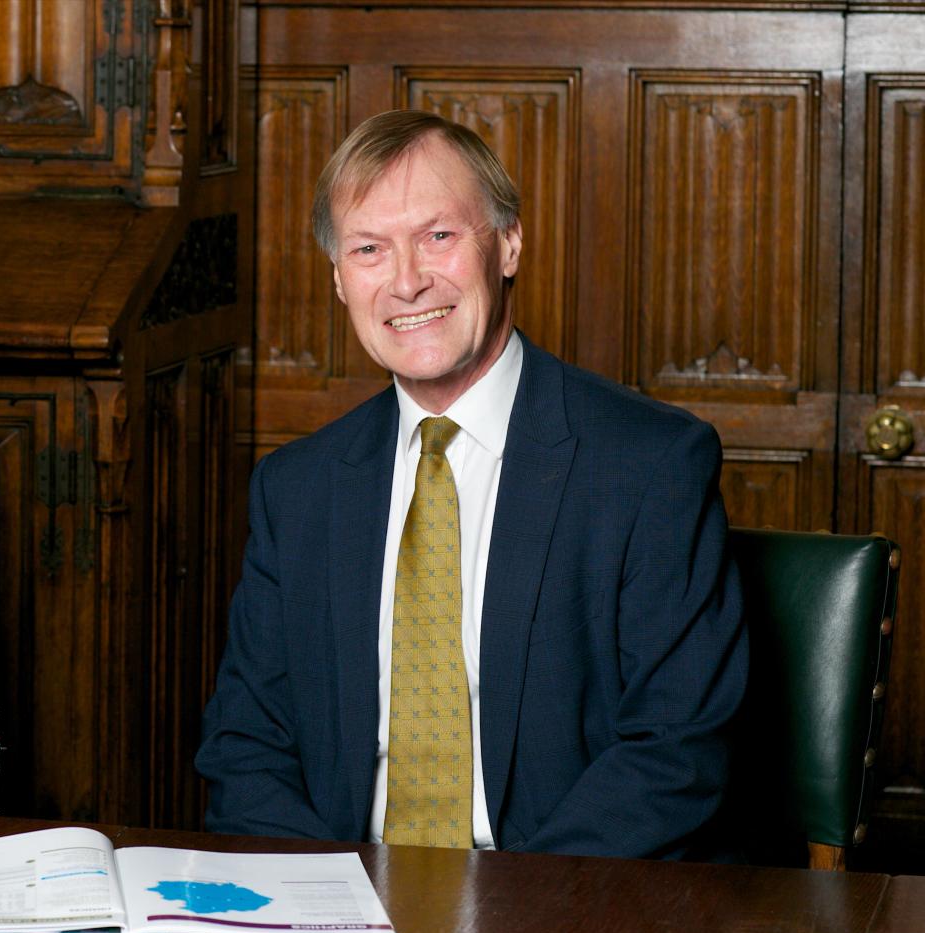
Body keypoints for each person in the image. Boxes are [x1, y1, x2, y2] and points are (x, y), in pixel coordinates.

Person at [196, 110, 748, 859]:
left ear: (509, 243)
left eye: (439, 236)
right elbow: (245, 749)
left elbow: (676, 751)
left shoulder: (649, 466)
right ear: (337, 278)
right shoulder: (296, 490)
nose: (407, 280)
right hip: (344, 912)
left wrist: (511, 921)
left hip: (564, 911)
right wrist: (328, 914)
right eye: (368, 249)